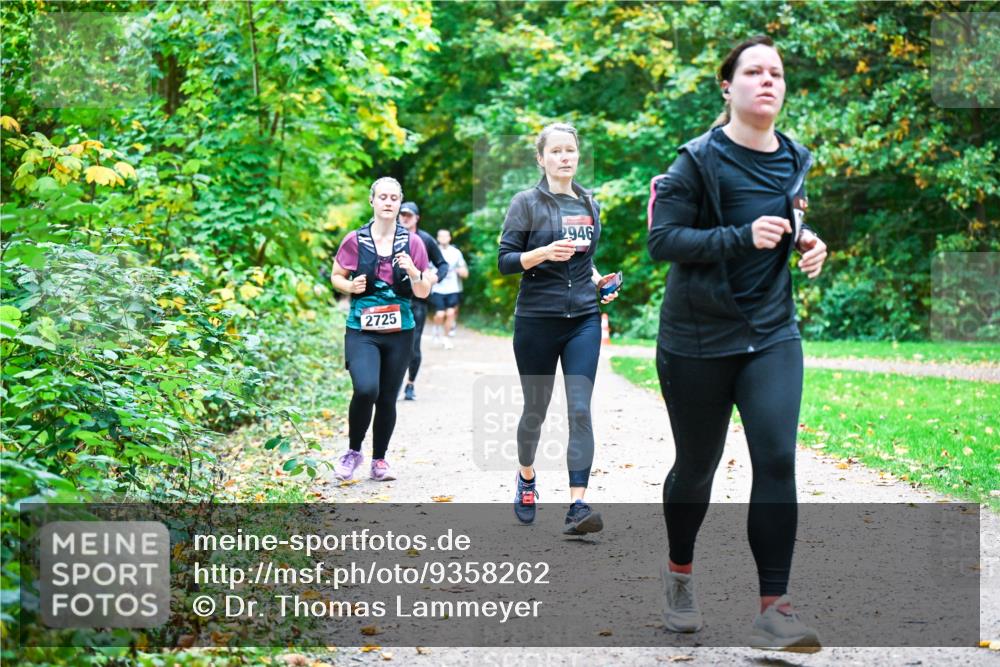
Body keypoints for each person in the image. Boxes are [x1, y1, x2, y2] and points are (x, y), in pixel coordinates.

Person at [647, 36, 828, 652]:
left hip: (772, 333)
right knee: (697, 467)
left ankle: (774, 607)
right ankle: (679, 574)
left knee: (776, 459)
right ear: (728, 87)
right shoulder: (696, 161)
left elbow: (789, 217)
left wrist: (808, 241)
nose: (767, 81)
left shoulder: (794, 157)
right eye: (754, 71)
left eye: (776, 72)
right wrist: (738, 236)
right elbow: (663, 242)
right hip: (697, 337)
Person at [498, 122, 621, 535]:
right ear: (541, 158)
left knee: (580, 409)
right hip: (536, 319)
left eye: (570, 150)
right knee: (536, 410)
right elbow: (505, 261)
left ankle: (578, 505)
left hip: (583, 318)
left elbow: (584, 265)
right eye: (556, 151)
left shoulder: (589, 202)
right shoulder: (526, 203)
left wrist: (601, 283)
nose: (565, 157)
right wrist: (542, 253)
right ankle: (527, 477)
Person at [329, 177, 432, 482]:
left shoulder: (413, 243)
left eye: (394, 198)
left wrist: (414, 272)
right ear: (372, 201)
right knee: (365, 389)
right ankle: (352, 452)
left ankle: (380, 460)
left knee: (387, 397)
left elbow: (424, 291)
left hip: (400, 332)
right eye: (382, 197)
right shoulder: (354, 240)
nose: (388, 202)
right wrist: (349, 285)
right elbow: (337, 275)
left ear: (400, 204)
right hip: (362, 329)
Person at [398, 201, 449, 401]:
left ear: (416, 218)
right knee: (394, 344)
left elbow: (442, 265)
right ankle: (392, 383)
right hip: (395, 298)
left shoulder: (425, 239)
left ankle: (410, 384)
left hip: (417, 299)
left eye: (409, 215)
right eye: (402, 214)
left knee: (413, 344)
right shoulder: (390, 236)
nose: (404, 218)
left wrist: (433, 278)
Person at [430, 228, 468, 348]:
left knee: (451, 313)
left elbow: (464, 271)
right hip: (438, 288)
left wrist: (460, 271)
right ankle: (436, 329)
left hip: (453, 289)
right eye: (441, 236)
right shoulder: (433, 252)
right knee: (440, 314)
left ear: (450, 238)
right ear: (437, 238)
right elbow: (426, 268)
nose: (443, 238)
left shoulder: (456, 252)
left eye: (446, 236)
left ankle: (446, 338)